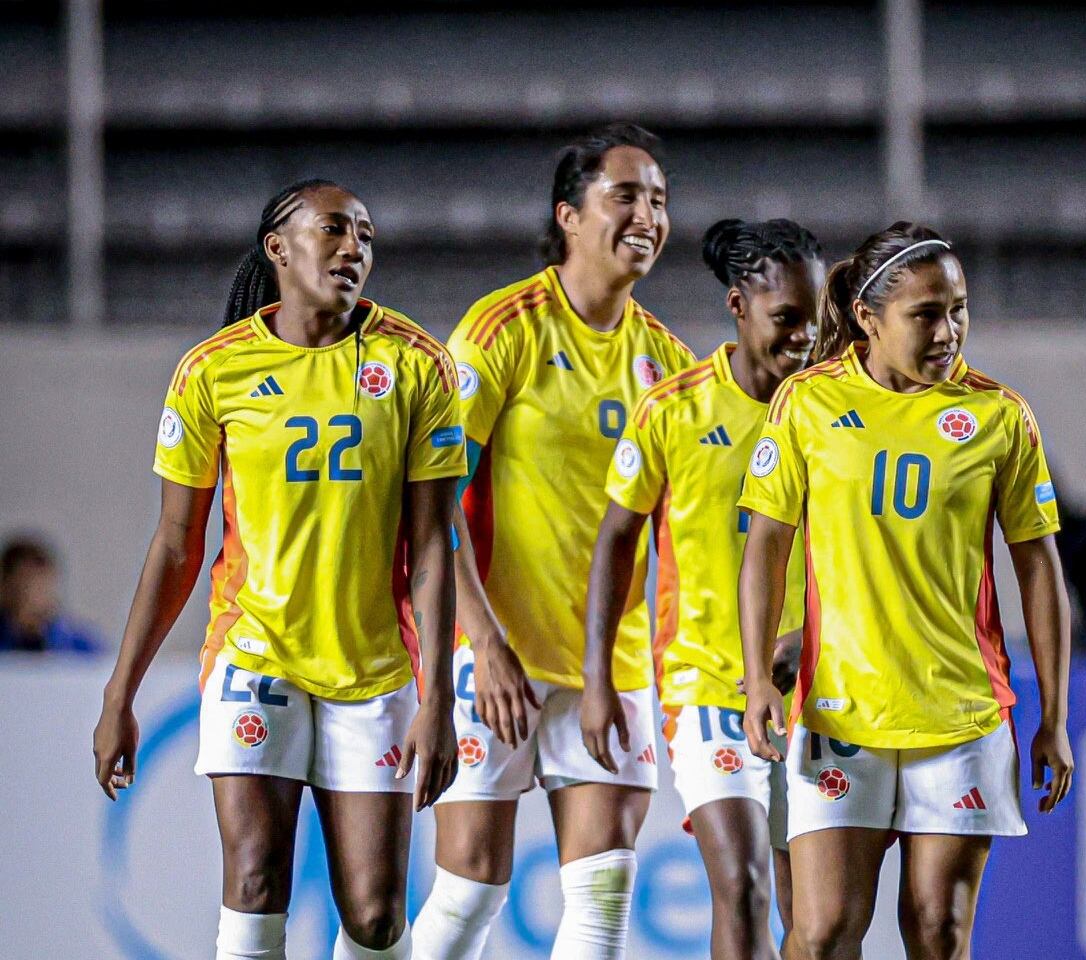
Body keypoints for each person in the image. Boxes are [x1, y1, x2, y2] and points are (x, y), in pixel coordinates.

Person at [91, 179, 465, 960]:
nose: (354, 247)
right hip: (254, 656)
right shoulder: (212, 372)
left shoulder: (415, 363)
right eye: (334, 229)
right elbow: (174, 542)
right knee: (257, 879)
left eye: (365, 235)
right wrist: (119, 692)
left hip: (373, 666)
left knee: (374, 917)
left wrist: (437, 698)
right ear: (279, 248)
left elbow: (433, 544)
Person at [738, 222, 1074, 960]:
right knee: (822, 933)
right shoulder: (808, 404)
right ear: (868, 318)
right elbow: (766, 544)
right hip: (839, 711)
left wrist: (1055, 713)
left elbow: (1038, 567)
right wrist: (757, 675)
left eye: (958, 309)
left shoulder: (998, 417)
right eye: (926, 313)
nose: (948, 331)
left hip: (959, 717)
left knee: (938, 932)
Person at [412, 123, 695, 960]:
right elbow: (434, 500)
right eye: (626, 196)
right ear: (569, 216)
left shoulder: (666, 363)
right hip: (495, 654)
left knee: (602, 902)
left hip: (613, 664)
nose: (647, 215)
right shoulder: (503, 330)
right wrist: (483, 643)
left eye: (659, 200)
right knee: (467, 892)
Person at [583, 218, 823, 960]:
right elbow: (616, 541)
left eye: (817, 321)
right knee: (744, 884)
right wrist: (599, 677)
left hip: (818, 687)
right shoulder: (674, 410)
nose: (806, 338)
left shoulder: (833, 415)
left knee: (811, 917)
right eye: (787, 319)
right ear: (737, 307)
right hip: (706, 688)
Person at [0, 535, 100, 653]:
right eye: (25, 588)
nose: (36, 599)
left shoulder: (80, 645)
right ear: (5, 588)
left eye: (42, 588)